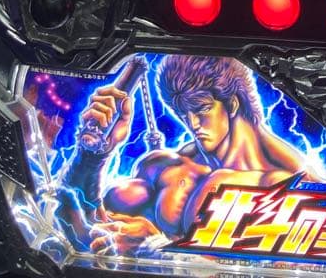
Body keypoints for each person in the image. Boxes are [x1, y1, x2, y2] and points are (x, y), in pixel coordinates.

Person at [63, 55, 310, 255]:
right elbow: (77, 230)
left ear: (232, 104)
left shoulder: (290, 183)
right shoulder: (163, 167)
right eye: (183, 113)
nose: (192, 124)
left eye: (201, 109)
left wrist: (155, 247)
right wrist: (91, 156)